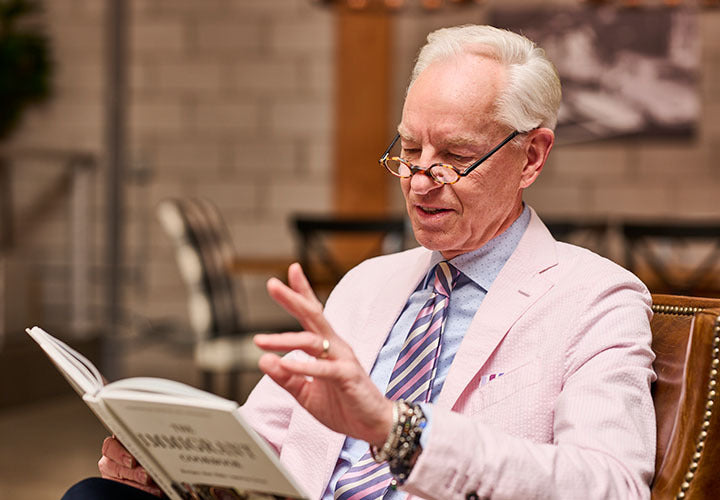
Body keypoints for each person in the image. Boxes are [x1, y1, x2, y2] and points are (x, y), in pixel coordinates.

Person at [63, 24, 656, 500]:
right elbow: (264, 443)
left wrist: (395, 432)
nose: (420, 180)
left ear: (531, 156)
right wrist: (173, 463)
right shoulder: (368, 283)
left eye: (454, 156)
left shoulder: (595, 298)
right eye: (409, 148)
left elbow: (612, 485)